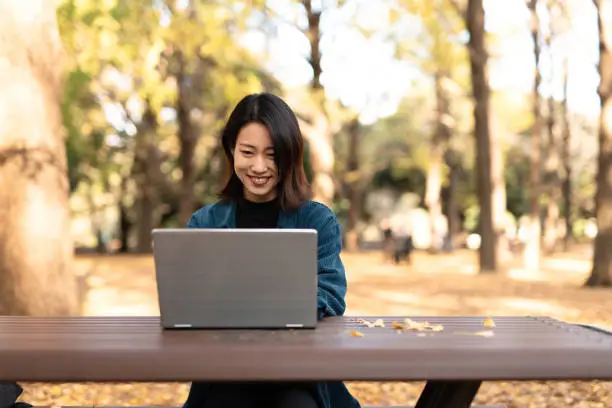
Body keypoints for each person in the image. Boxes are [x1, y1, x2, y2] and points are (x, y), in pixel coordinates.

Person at [183, 92, 361, 408]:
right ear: (231, 151)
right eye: (248, 152)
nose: (260, 166)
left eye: (272, 154)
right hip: (226, 372)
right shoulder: (205, 222)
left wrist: (259, 309)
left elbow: (331, 295)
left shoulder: (316, 219)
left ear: (290, 155)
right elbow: (187, 302)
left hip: (298, 372)